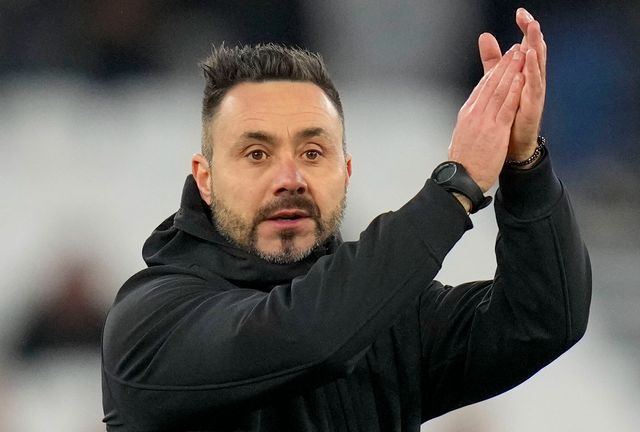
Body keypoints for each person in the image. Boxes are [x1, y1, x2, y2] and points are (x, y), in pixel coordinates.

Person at [101, 7, 591, 431]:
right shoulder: (152, 320)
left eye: (314, 153)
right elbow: (308, 337)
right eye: (256, 153)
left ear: (346, 173)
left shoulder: (385, 314)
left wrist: (524, 165)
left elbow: (545, 319)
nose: (290, 177)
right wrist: (453, 189)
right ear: (205, 179)